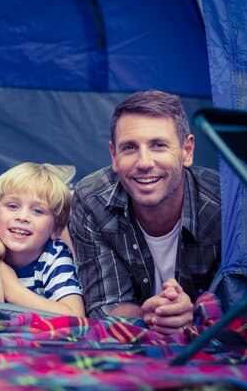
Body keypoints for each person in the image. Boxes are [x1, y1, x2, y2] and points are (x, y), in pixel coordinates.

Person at [69, 90, 221, 334]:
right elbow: (105, 304)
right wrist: (148, 315)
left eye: (158, 145)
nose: (144, 162)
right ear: (114, 156)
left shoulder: (224, 206)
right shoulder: (92, 200)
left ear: (187, 151)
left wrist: (195, 312)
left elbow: (245, 302)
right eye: (129, 148)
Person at [0, 163, 85, 316]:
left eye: (37, 211)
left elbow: (76, 317)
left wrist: (12, 289)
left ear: (56, 229)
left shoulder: (53, 257)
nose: (23, 217)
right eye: (12, 206)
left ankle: (68, 187)